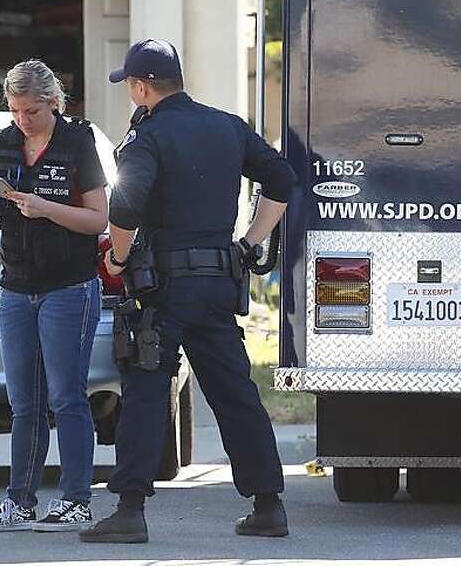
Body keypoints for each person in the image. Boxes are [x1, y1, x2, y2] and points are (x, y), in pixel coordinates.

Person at [79, 39, 297, 544]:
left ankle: (129, 511)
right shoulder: (227, 126)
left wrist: (117, 258)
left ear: (141, 87)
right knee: (235, 392)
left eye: (131, 86)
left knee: (146, 391)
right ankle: (268, 505)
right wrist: (249, 243)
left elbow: (125, 207)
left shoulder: (147, 136)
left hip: (164, 289)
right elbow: (282, 180)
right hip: (218, 283)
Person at [0, 59, 109, 533]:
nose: (23, 120)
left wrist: (46, 208)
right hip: (17, 287)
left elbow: (98, 219)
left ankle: (75, 499)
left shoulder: (77, 142)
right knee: (24, 402)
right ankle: (19, 500)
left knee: (67, 396)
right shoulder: (3, 144)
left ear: (54, 102)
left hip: (69, 285)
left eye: (32, 111)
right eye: (15, 111)